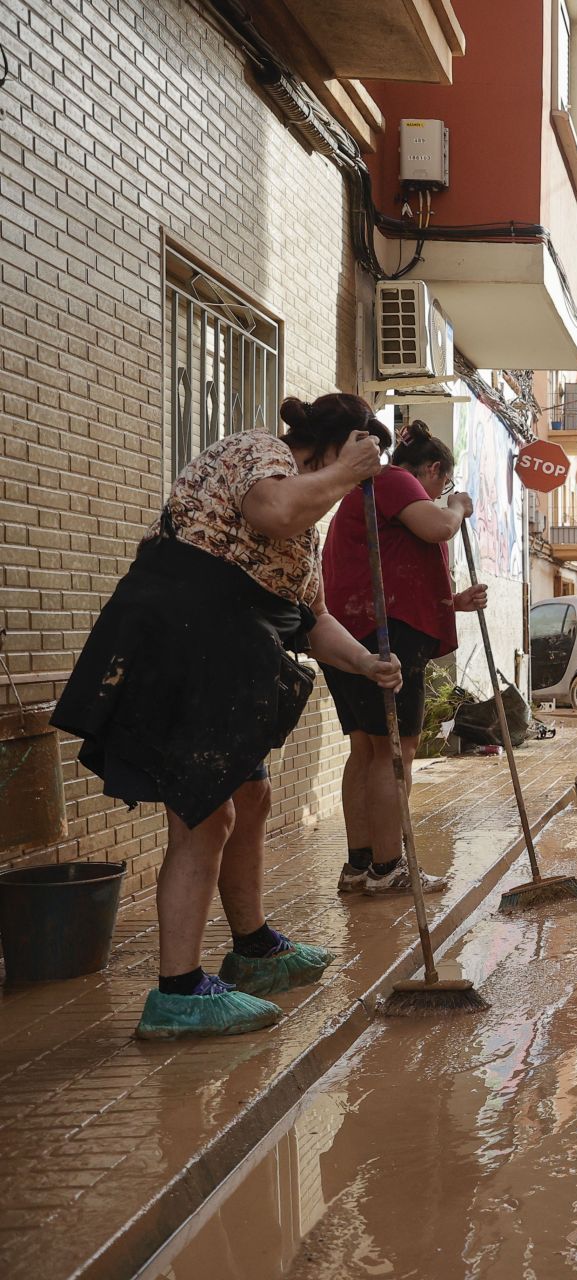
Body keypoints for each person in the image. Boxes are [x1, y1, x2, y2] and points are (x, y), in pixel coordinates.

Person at [53, 395, 403, 1039]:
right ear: (327, 449)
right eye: (345, 462)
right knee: (205, 812)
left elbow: (312, 619)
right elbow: (271, 508)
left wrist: (367, 663)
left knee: (253, 793)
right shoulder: (260, 454)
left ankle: (253, 948)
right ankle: (178, 992)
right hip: (180, 636)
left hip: (228, 653)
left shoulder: (307, 522)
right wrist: (348, 474)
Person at [320, 421, 487, 895]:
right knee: (397, 752)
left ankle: (361, 864)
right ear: (432, 470)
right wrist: (455, 506)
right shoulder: (394, 480)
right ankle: (389, 867)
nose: (438, 494)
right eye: (442, 484)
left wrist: (451, 602)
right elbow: (439, 527)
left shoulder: (369, 493)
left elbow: (390, 573)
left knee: (367, 749)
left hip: (349, 635)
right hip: (382, 640)